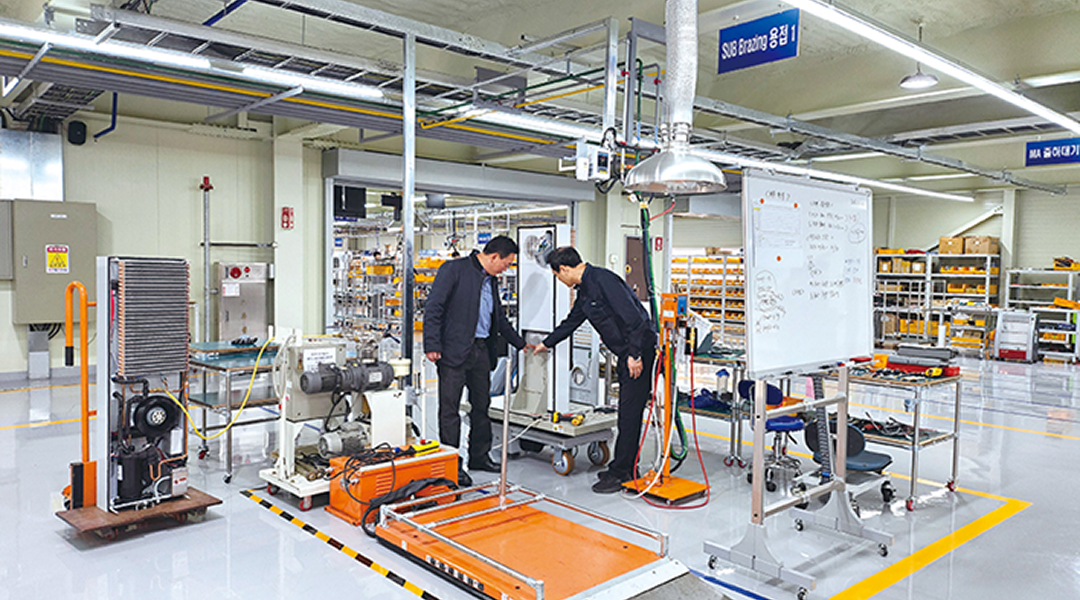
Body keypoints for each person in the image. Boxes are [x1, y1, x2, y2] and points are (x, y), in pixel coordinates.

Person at [533, 246, 658, 494]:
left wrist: (634, 354)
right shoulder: (586, 290)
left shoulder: (603, 280)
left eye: (558, 275)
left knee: (630, 415)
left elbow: (635, 318)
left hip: (637, 353)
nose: (560, 280)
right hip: (626, 354)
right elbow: (572, 321)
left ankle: (624, 472)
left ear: (565, 269)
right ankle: (621, 466)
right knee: (626, 413)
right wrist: (546, 343)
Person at [424, 235, 529, 487]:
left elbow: (499, 318)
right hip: (452, 352)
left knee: (481, 406)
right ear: (494, 257)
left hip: (481, 351)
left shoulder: (490, 281)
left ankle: (479, 456)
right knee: (450, 410)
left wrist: (521, 343)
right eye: (506, 263)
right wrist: (432, 344)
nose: (506, 268)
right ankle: (452, 464)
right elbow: (434, 307)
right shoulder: (454, 270)